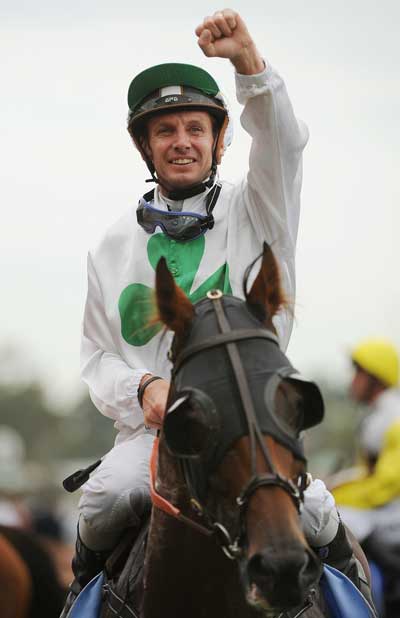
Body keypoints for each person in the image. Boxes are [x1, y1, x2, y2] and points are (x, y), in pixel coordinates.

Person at [61, 8, 368, 615]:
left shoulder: (260, 206)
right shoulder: (109, 246)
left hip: (256, 427)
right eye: (166, 130)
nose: (182, 141)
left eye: (195, 128)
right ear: (145, 145)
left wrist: (249, 67)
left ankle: (355, 599)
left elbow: (285, 142)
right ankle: (79, 600)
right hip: (157, 438)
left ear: (219, 138)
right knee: (100, 499)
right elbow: (96, 356)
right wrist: (142, 386)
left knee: (317, 509)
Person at [332, 337, 400, 616]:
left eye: (358, 373)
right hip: (385, 512)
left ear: (376, 378)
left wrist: (336, 495)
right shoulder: (380, 414)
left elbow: (385, 486)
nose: (353, 381)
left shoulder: (392, 416)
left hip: (392, 515)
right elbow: (368, 475)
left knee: (336, 520)